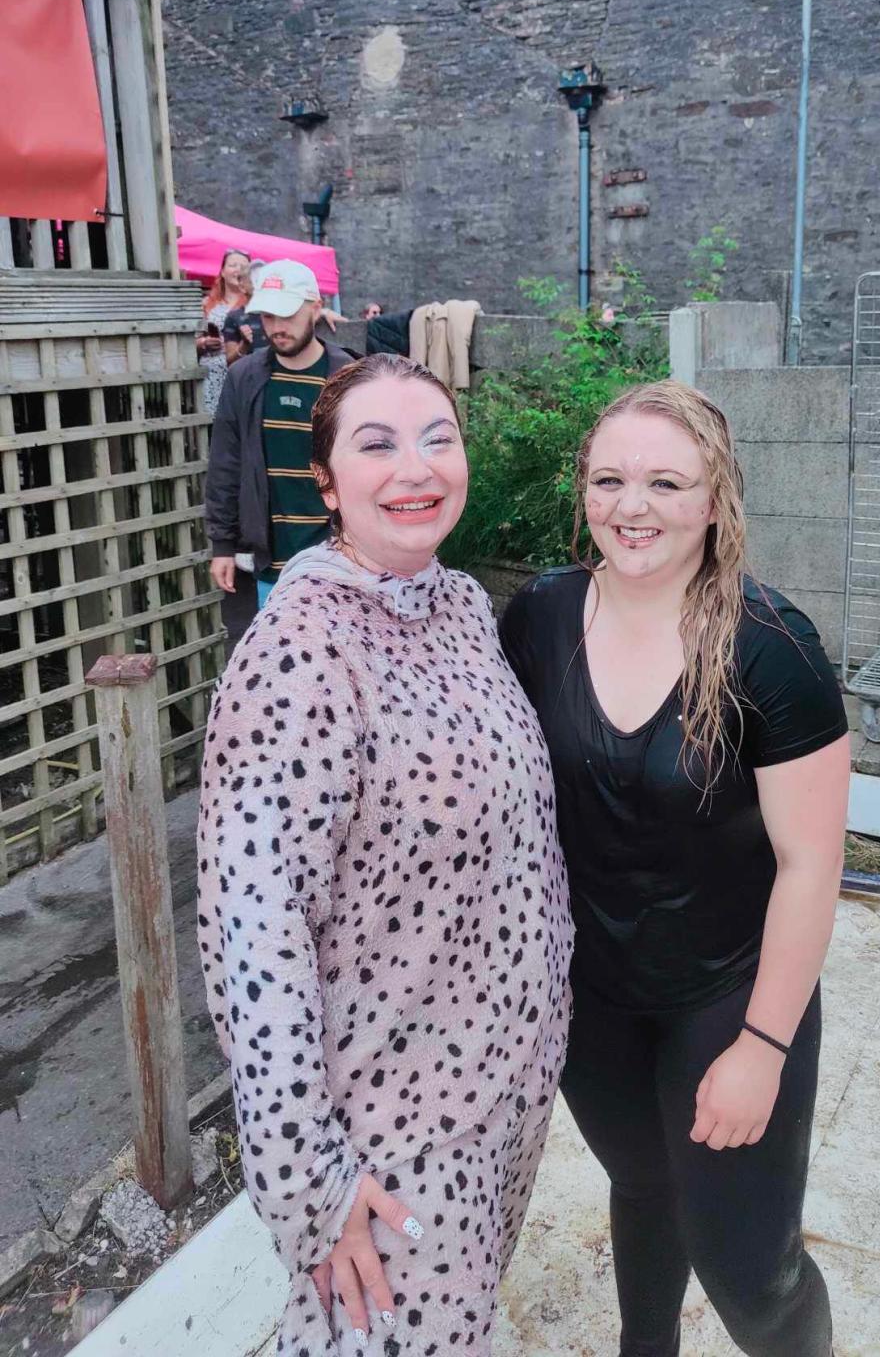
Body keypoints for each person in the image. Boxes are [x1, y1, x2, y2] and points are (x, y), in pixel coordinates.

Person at [197, 354, 572, 1355]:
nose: (416, 467)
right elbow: (251, 926)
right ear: (325, 485)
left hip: (501, 1092)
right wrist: (306, 1184)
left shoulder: (457, 608)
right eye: (376, 444)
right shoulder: (301, 648)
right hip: (391, 1132)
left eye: (437, 437)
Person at [500, 380, 850, 1357]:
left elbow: (812, 863)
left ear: (714, 498)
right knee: (644, 1186)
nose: (633, 505)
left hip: (726, 998)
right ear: (583, 493)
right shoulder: (537, 618)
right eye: (609, 479)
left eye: (665, 481)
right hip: (592, 1002)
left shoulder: (772, 648)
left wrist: (763, 1047)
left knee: (747, 1269)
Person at [205, 259, 352, 609]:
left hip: (342, 561)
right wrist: (223, 545)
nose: (276, 327)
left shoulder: (348, 377)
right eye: (268, 316)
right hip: (273, 566)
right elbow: (226, 462)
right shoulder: (245, 378)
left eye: (287, 315)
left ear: (316, 308)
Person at [197, 247, 252, 417]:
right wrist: (202, 343)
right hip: (211, 372)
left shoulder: (255, 303)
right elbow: (190, 339)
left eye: (243, 266)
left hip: (243, 370)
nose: (238, 270)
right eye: (233, 265)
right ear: (222, 271)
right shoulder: (207, 304)